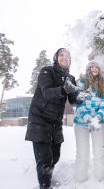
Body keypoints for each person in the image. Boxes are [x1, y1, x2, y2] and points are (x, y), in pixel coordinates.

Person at [25, 48, 80, 189]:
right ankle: (45, 185)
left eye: (67, 56)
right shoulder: (46, 71)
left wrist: (82, 98)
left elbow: (73, 100)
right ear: (56, 58)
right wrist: (64, 89)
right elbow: (47, 92)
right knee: (45, 158)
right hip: (39, 119)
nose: (64, 57)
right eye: (61, 55)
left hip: (56, 122)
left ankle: (46, 176)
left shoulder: (70, 79)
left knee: (55, 156)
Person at [73, 61, 104, 182]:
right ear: (88, 69)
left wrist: (97, 118)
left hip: (98, 123)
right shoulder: (81, 83)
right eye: (91, 67)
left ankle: (100, 178)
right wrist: (87, 117)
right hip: (81, 123)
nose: (94, 68)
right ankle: (80, 179)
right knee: (82, 153)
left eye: (96, 67)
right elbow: (78, 103)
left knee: (99, 151)